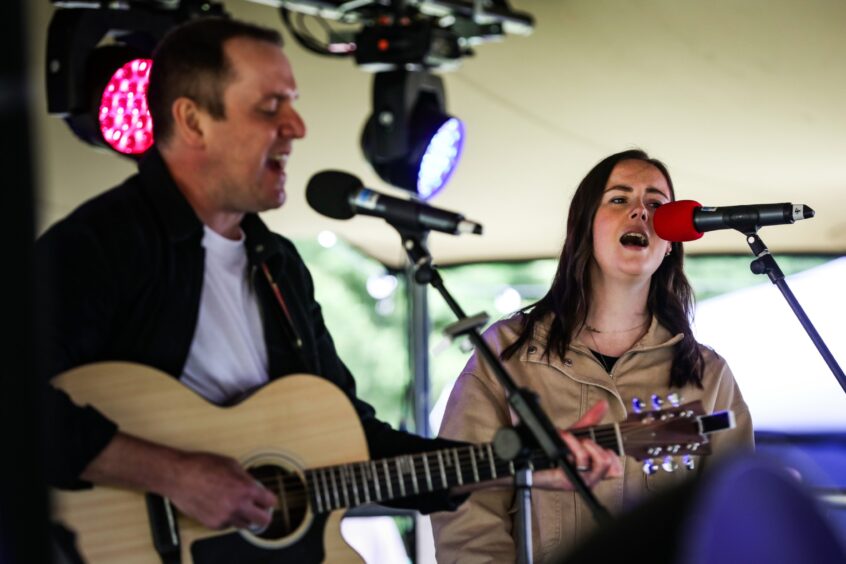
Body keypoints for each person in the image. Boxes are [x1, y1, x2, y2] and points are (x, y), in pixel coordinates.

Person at [36, 16, 620, 562]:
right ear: (192, 121)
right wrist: (174, 474)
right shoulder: (101, 246)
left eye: (291, 103)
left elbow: (351, 439)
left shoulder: (276, 264)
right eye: (271, 106)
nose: (297, 127)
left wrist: (508, 463)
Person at [431, 149, 755, 563]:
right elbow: (468, 513)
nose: (641, 211)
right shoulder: (505, 353)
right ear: (584, 227)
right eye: (619, 199)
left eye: (657, 204)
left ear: (671, 243)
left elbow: (734, 518)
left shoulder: (708, 374)